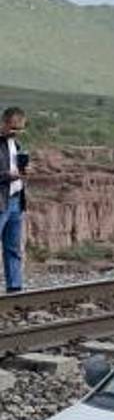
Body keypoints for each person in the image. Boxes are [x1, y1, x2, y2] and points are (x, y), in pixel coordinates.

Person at [0, 107, 28, 293]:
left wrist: (23, 172)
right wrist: (6, 175)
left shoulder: (15, 145)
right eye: (14, 128)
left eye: (20, 129)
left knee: (13, 248)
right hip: (1, 201)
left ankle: (15, 289)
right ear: (4, 123)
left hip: (16, 200)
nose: (17, 132)